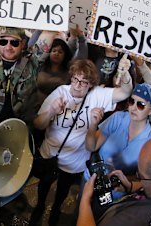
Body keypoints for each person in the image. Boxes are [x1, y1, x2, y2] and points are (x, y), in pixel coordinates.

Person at [30, 58, 133, 226]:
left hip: (74, 161)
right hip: (50, 153)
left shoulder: (96, 95)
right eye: (75, 80)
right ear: (71, 77)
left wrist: (126, 73)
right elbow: (38, 124)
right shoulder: (61, 92)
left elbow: (125, 92)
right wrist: (51, 111)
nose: (77, 86)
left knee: (62, 190)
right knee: (44, 184)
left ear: (91, 85)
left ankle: (56, 209)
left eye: (84, 82)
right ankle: (40, 206)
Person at [85, 83, 151, 176]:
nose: (134, 108)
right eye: (132, 101)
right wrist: (93, 125)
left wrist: (125, 184)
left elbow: (144, 179)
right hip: (91, 178)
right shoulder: (118, 118)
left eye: (141, 105)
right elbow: (91, 147)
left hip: (118, 190)